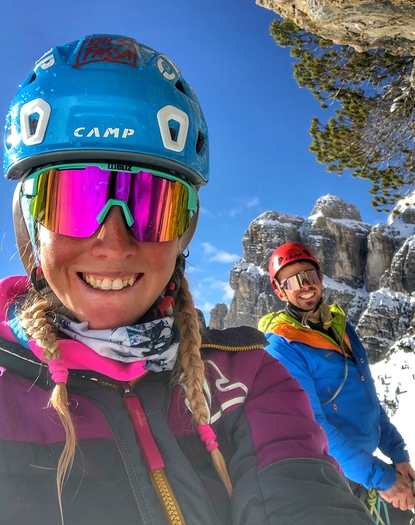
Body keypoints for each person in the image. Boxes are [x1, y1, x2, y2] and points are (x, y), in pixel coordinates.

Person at [0, 35, 377, 525]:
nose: (114, 244)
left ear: (185, 234)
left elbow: (303, 497)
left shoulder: (251, 376)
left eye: (153, 207)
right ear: (29, 225)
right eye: (71, 201)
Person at [260, 242, 415, 525]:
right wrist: (381, 478)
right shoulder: (282, 345)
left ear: (321, 278)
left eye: (310, 276)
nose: (305, 286)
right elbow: (314, 426)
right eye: (294, 281)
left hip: (365, 471)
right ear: (280, 290)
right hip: (332, 480)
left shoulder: (340, 326)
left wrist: (397, 453)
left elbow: (368, 398)